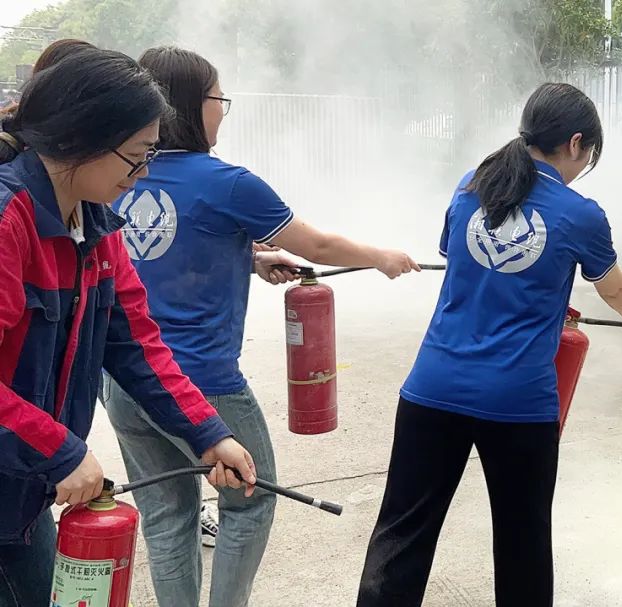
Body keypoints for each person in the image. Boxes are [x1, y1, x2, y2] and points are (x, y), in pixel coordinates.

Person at [100, 45, 420, 607]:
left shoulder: (116, 179)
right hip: (202, 383)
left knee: (166, 515)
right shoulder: (227, 183)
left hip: (125, 384)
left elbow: (151, 253)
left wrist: (247, 257)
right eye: (220, 99)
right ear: (191, 106)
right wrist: (380, 256)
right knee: (248, 500)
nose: (224, 110)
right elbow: (316, 244)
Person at [357, 82, 622, 607]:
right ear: (576, 143)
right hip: (517, 405)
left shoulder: (472, 186)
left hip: (432, 390)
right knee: (523, 545)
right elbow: (616, 288)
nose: (583, 166)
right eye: (588, 156)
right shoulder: (580, 213)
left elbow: (464, 262)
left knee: (401, 535)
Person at [0, 48, 257, 607]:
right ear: (82, 140)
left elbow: (136, 343)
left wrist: (208, 433)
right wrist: (60, 452)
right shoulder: (7, 221)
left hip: (21, 491)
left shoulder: (97, 227)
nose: (141, 175)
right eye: (136, 157)